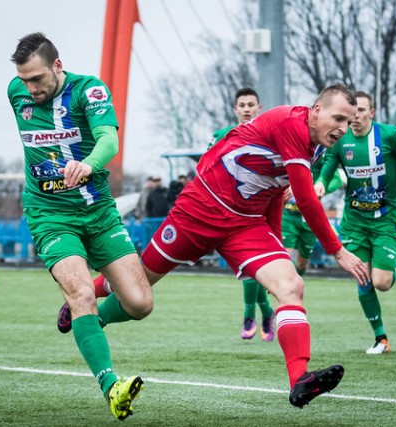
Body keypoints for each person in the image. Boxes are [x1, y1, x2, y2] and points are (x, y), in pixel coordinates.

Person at [63, 83, 370, 409]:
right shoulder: (290, 123)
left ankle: (300, 380)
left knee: (291, 285)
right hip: (199, 210)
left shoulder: (317, 144)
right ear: (317, 110)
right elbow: (306, 199)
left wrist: (276, 246)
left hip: (245, 225)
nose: (342, 129)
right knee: (137, 288)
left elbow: (277, 190)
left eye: (348, 123)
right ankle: (90, 303)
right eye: (338, 118)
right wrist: (337, 249)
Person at [7, 32, 153, 420]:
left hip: (99, 211)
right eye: (24, 80)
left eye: (36, 78)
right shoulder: (16, 92)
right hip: (50, 214)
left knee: (140, 304)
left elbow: (109, 139)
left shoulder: (90, 91)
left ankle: (89, 319)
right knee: (82, 291)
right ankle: (112, 386)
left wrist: (89, 163)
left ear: (57, 66)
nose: (30, 88)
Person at [315, 91, 396, 355]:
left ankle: (387, 268)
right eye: (353, 112)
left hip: (385, 218)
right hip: (355, 221)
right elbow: (328, 168)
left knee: (382, 282)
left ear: (372, 113)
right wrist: (319, 185)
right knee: (362, 278)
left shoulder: (389, 136)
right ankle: (381, 339)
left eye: (362, 111)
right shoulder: (341, 141)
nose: (356, 117)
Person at [212, 87, 275, 341]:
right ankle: (267, 312)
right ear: (235, 109)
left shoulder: (270, 135)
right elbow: (208, 167)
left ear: (259, 108)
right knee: (249, 269)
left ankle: (249, 315)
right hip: (231, 212)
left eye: (251, 104)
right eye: (242, 105)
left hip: (261, 211)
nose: (247, 109)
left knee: (252, 268)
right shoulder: (221, 136)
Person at [282, 159, 346, 276]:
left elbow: (337, 180)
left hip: (309, 218)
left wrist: (319, 189)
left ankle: (296, 281)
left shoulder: (320, 154)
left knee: (302, 264)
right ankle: (287, 288)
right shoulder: (291, 153)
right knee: (285, 260)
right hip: (289, 216)